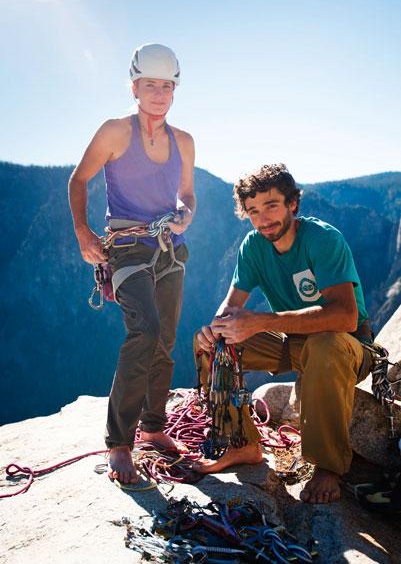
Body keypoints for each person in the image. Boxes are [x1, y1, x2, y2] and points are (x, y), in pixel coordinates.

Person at [194, 163, 373, 504]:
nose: (263, 219)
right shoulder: (253, 247)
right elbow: (230, 309)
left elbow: (346, 317)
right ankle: (241, 443)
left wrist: (260, 321)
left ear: (292, 203)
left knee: (326, 344)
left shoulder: (322, 240)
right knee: (210, 345)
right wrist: (215, 329)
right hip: (293, 343)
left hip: (348, 346)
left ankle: (327, 466)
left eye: (271, 205)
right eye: (253, 211)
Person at [69, 43, 195, 485]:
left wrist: (187, 213)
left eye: (167, 85)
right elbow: (78, 179)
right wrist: (84, 233)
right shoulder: (115, 132)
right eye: (150, 85)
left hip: (169, 247)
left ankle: (154, 428)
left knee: (165, 340)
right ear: (135, 86)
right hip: (125, 248)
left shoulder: (184, 141)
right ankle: (119, 443)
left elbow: (187, 194)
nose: (159, 93)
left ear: (175, 89)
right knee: (145, 330)